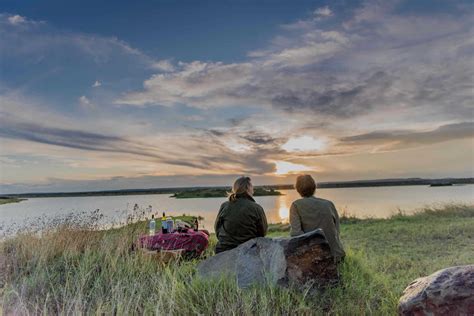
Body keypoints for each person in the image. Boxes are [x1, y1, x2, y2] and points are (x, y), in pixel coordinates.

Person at [289, 174, 345, 261]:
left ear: (298, 189)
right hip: (336, 255)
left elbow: (296, 234)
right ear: (314, 187)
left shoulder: (295, 205)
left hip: (314, 259)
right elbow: (337, 231)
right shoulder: (329, 204)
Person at [214, 176, 268, 253]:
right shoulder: (257, 208)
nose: (253, 190)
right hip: (248, 251)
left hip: (222, 249)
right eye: (252, 187)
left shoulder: (225, 205)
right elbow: (263, 232)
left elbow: (217, 228)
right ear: (248, 188)